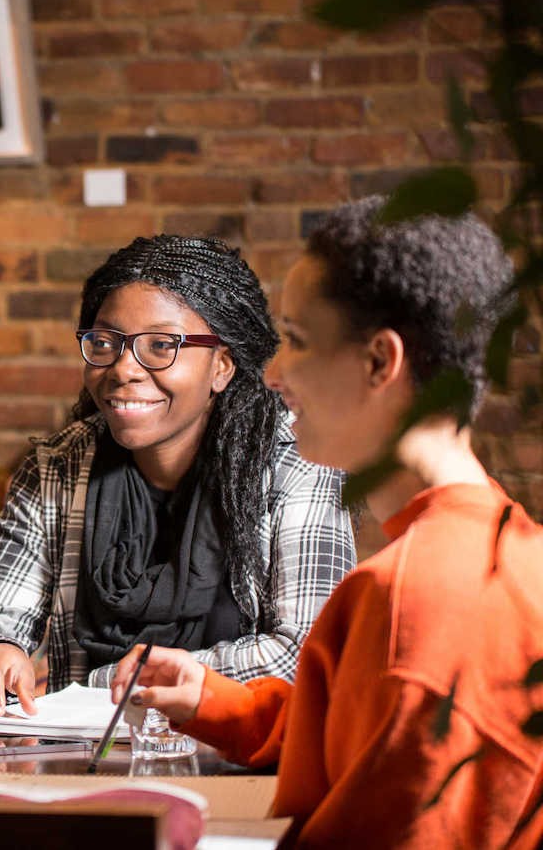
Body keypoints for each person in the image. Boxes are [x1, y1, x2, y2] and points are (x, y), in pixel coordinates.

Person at [110, 198, 543, 848]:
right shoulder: (508, 543)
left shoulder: (410, 598)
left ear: (379, 362)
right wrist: (213, 698)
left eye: (300, 340)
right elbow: (371, 733)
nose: (273, 371)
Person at [0, 235, 355, 729]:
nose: (124, 368)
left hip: (239, 760)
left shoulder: (298, 466)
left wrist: (109, 683)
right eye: (105, 343)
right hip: (83, 760)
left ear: (222, 366)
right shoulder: (57, 468)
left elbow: (304, 656)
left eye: (161, 346)